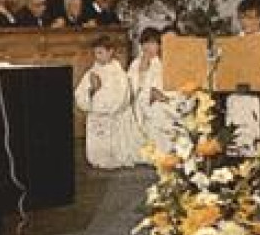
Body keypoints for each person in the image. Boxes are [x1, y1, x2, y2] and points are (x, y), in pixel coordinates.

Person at [74, 35, 142, 169]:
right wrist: (92, 90)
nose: (97, 57)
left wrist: (107, 107)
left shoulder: (118, 74)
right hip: (96, 115)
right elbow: (80, 95)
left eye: (100, 53)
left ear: (110, 52)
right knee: (97, 155)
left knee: (114, 152)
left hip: (113, 115)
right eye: (95, 53)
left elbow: (122, 96)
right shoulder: (92, 72)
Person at [224, 0, 260, 155]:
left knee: (257, 142)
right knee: (236, 138)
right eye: (242, 18)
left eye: (250, 18)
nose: (245, 23)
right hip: (237, 96)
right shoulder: (234, 42)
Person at [128, 28, 180, 152]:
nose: (148, 48)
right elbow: (131, 88)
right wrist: (142, 72)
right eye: (145, 44)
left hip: (169, 101)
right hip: (143, 103)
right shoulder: (136, 63)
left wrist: (164, 97)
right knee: (156, 111)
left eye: (152, 43)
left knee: (165, 110)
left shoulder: (167, 62)